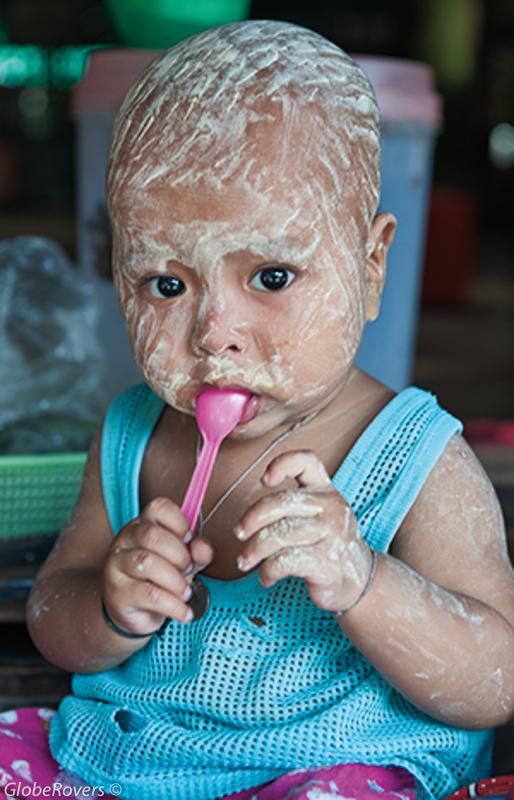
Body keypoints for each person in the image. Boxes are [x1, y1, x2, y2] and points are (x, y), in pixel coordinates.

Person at [2, 19, 513, 800]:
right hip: (138, 754)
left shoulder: (417, 455)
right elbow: (52, 615)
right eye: (166, 285)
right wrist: (108, 603)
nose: (215, 334)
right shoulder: (132, 434)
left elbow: (496, 680)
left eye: (272, 277)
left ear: (371, 267)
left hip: (337, 765)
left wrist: (366, 583)